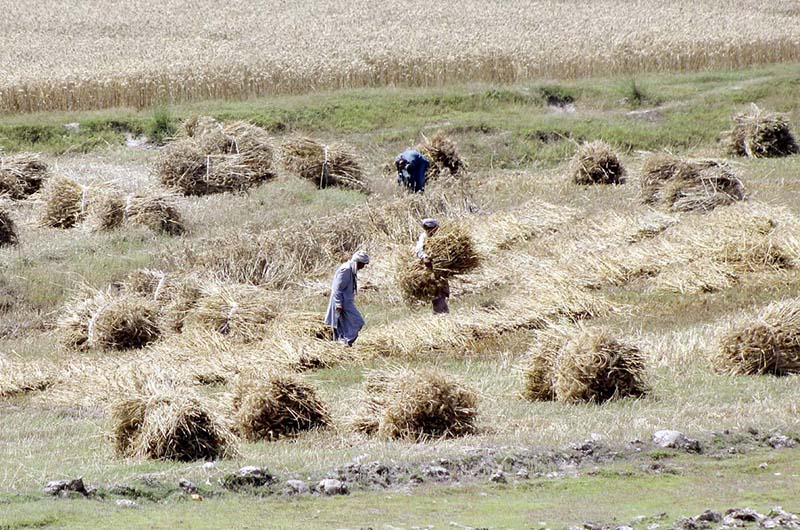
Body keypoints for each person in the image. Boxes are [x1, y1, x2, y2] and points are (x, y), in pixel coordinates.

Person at [324, 250, 370, 346]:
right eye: (363, 264)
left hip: (346, 302)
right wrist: (338, 303)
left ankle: (343, 342)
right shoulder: (346, 269)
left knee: (343, 324)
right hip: (341, 302)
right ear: (358, 262)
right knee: (358, 321)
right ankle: (346, 342)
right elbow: (337, 288)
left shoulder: (351, 269)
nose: (363, 267)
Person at [415, 218, 450, 314]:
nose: (428, 230)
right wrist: (425, 257)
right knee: (435, 292)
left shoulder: (441, 237)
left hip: (440, 269)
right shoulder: (423, 237)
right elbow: (418, 250)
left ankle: (441, 314)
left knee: (441, 291)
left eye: (430, 228)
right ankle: (440, 314)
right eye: (426, 228)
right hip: (429, 270)